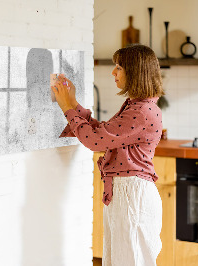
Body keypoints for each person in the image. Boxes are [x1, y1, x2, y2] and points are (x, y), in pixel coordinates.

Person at [52, 44, 164, 266]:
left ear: (135, 72)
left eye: (119, 67)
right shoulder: (137, 106)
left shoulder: (141, 111)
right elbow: (103, 133)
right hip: (127, 193)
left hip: (132, 195)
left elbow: (95, 141)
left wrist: (67, 107)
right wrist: (73, 103)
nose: (113, 72)